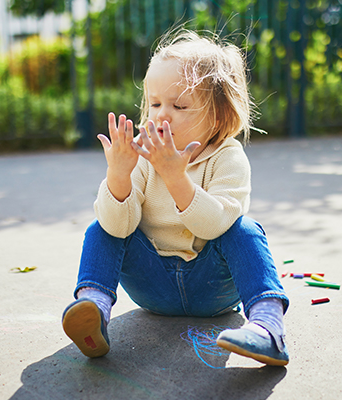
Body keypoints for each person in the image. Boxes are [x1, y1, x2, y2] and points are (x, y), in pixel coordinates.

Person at [61, 29, 290, 366]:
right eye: (155, 103)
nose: (161, 114)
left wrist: (175, 177)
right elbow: (117, 226)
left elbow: (214, 226)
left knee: (246, 230)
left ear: (218, 114)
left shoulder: (228, 157)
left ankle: (268, 328)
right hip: (153, 288)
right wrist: (119, 176)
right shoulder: (143, 156)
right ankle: (94, 309)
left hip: (212, 289)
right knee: (100, 228)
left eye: (179, 105)